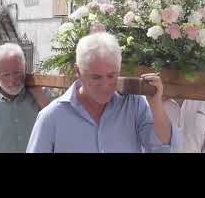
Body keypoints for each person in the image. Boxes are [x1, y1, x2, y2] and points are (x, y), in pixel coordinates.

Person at [27, 32, 180, 153]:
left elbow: (164, 148)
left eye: (111, 75)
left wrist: (156, 105)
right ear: (77, 71)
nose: (105, 85)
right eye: (96, 77)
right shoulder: (52, 117)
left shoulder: (134, 105)